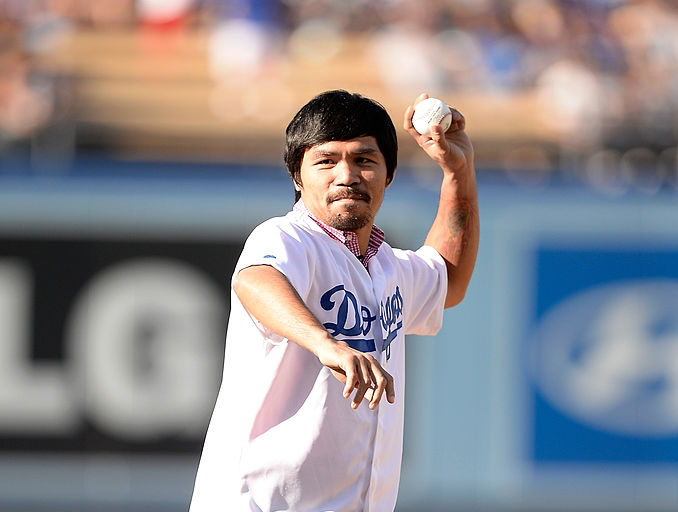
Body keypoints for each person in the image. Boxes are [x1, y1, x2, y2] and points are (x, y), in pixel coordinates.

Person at [189, 90, 479, 512]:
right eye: (326, 160)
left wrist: (459, 174)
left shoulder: (389, 267)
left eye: (364, 159)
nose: (347, 174)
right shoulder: (287, 238)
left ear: (388, 174)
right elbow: (257, 280)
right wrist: (326, 344)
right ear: (297, 176)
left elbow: (448, 279)